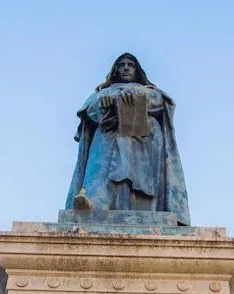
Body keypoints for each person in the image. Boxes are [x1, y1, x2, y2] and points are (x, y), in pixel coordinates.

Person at [65, 53, 190, 225]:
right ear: (115, 70)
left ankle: (145, 209)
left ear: (137, 70)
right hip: (108, 137)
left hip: (143, 141)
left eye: (130, 65)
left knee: (139, 179)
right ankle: (93, 204)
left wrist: (137, 95)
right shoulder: (103, 92)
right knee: (100, 172)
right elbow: (89, 110)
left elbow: (161, 102)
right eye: (121, 65)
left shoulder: (149, 90)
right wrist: (107, 103)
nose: (125, 68)